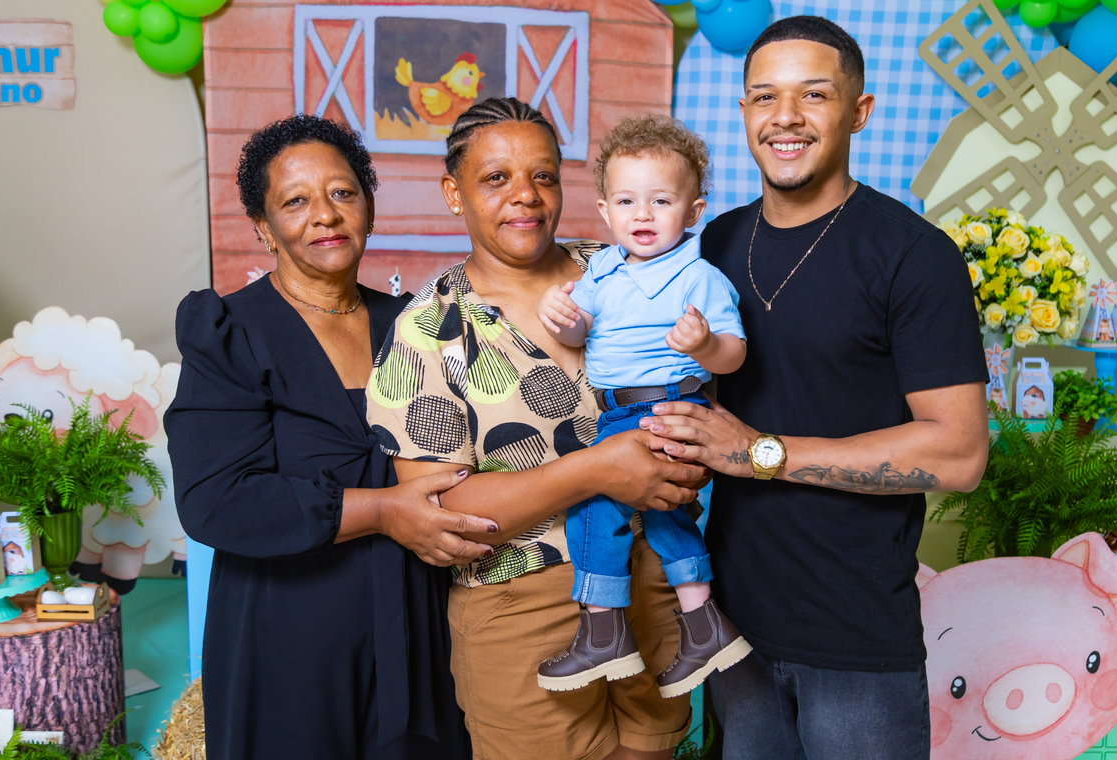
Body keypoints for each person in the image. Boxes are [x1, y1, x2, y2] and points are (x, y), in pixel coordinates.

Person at [638, 17, 990, 759]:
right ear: (744, 112)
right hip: (732, 627)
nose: (786, 117)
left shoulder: (914, 255)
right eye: (766, 96)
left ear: (858, 111)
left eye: (815, 94)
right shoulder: (713, 244)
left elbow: (960, 454)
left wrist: (760, 453)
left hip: (855, 639)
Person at [367, 97, 708, 760]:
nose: (525, 195)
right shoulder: (427, 333)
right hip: (524, 605)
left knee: (652, 748)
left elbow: (697, 382)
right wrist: (598, 469)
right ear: (453, 193)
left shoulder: (622, 272)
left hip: (654, 574)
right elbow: (441, 510)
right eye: (496, 178)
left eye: (543, 176)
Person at [164, 115, 494, 760]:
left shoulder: (416, 325)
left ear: (369, 206)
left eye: (343, 192)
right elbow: (214, 501)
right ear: (263, 228)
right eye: (296, 201)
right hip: (286, 641)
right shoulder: (231, 332)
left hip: (417, 629)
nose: (325, 214)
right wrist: (384, 511)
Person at [533, 114, 751, 699]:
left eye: (661, 200)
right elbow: (581, 333)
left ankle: (603, 634)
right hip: (619, 413)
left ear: (693, 210)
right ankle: (704, 626)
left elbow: (733, 355)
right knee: (664, 515)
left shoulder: (698, 277)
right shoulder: (602, 270)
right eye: (627, 201)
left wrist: (704, 345)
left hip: (663, 409)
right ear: (605, 212)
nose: (643, 214)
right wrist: (562, 315)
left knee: (592, 505)